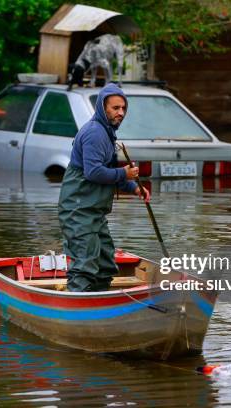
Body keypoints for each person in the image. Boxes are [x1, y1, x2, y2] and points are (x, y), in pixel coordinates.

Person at [58, 83, 150, 292]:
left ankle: (100, 299)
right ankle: (77, 307)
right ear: (102, 108)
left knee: (105, 261)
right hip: (78, 211)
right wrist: (124, 173)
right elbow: (93, 172)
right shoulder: (95, 133)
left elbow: (108, 171)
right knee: (86, 262)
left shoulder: (107, 134)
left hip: (93, 212)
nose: (121, 113)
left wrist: (134, 187)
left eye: (123, 108)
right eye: (115, 108)